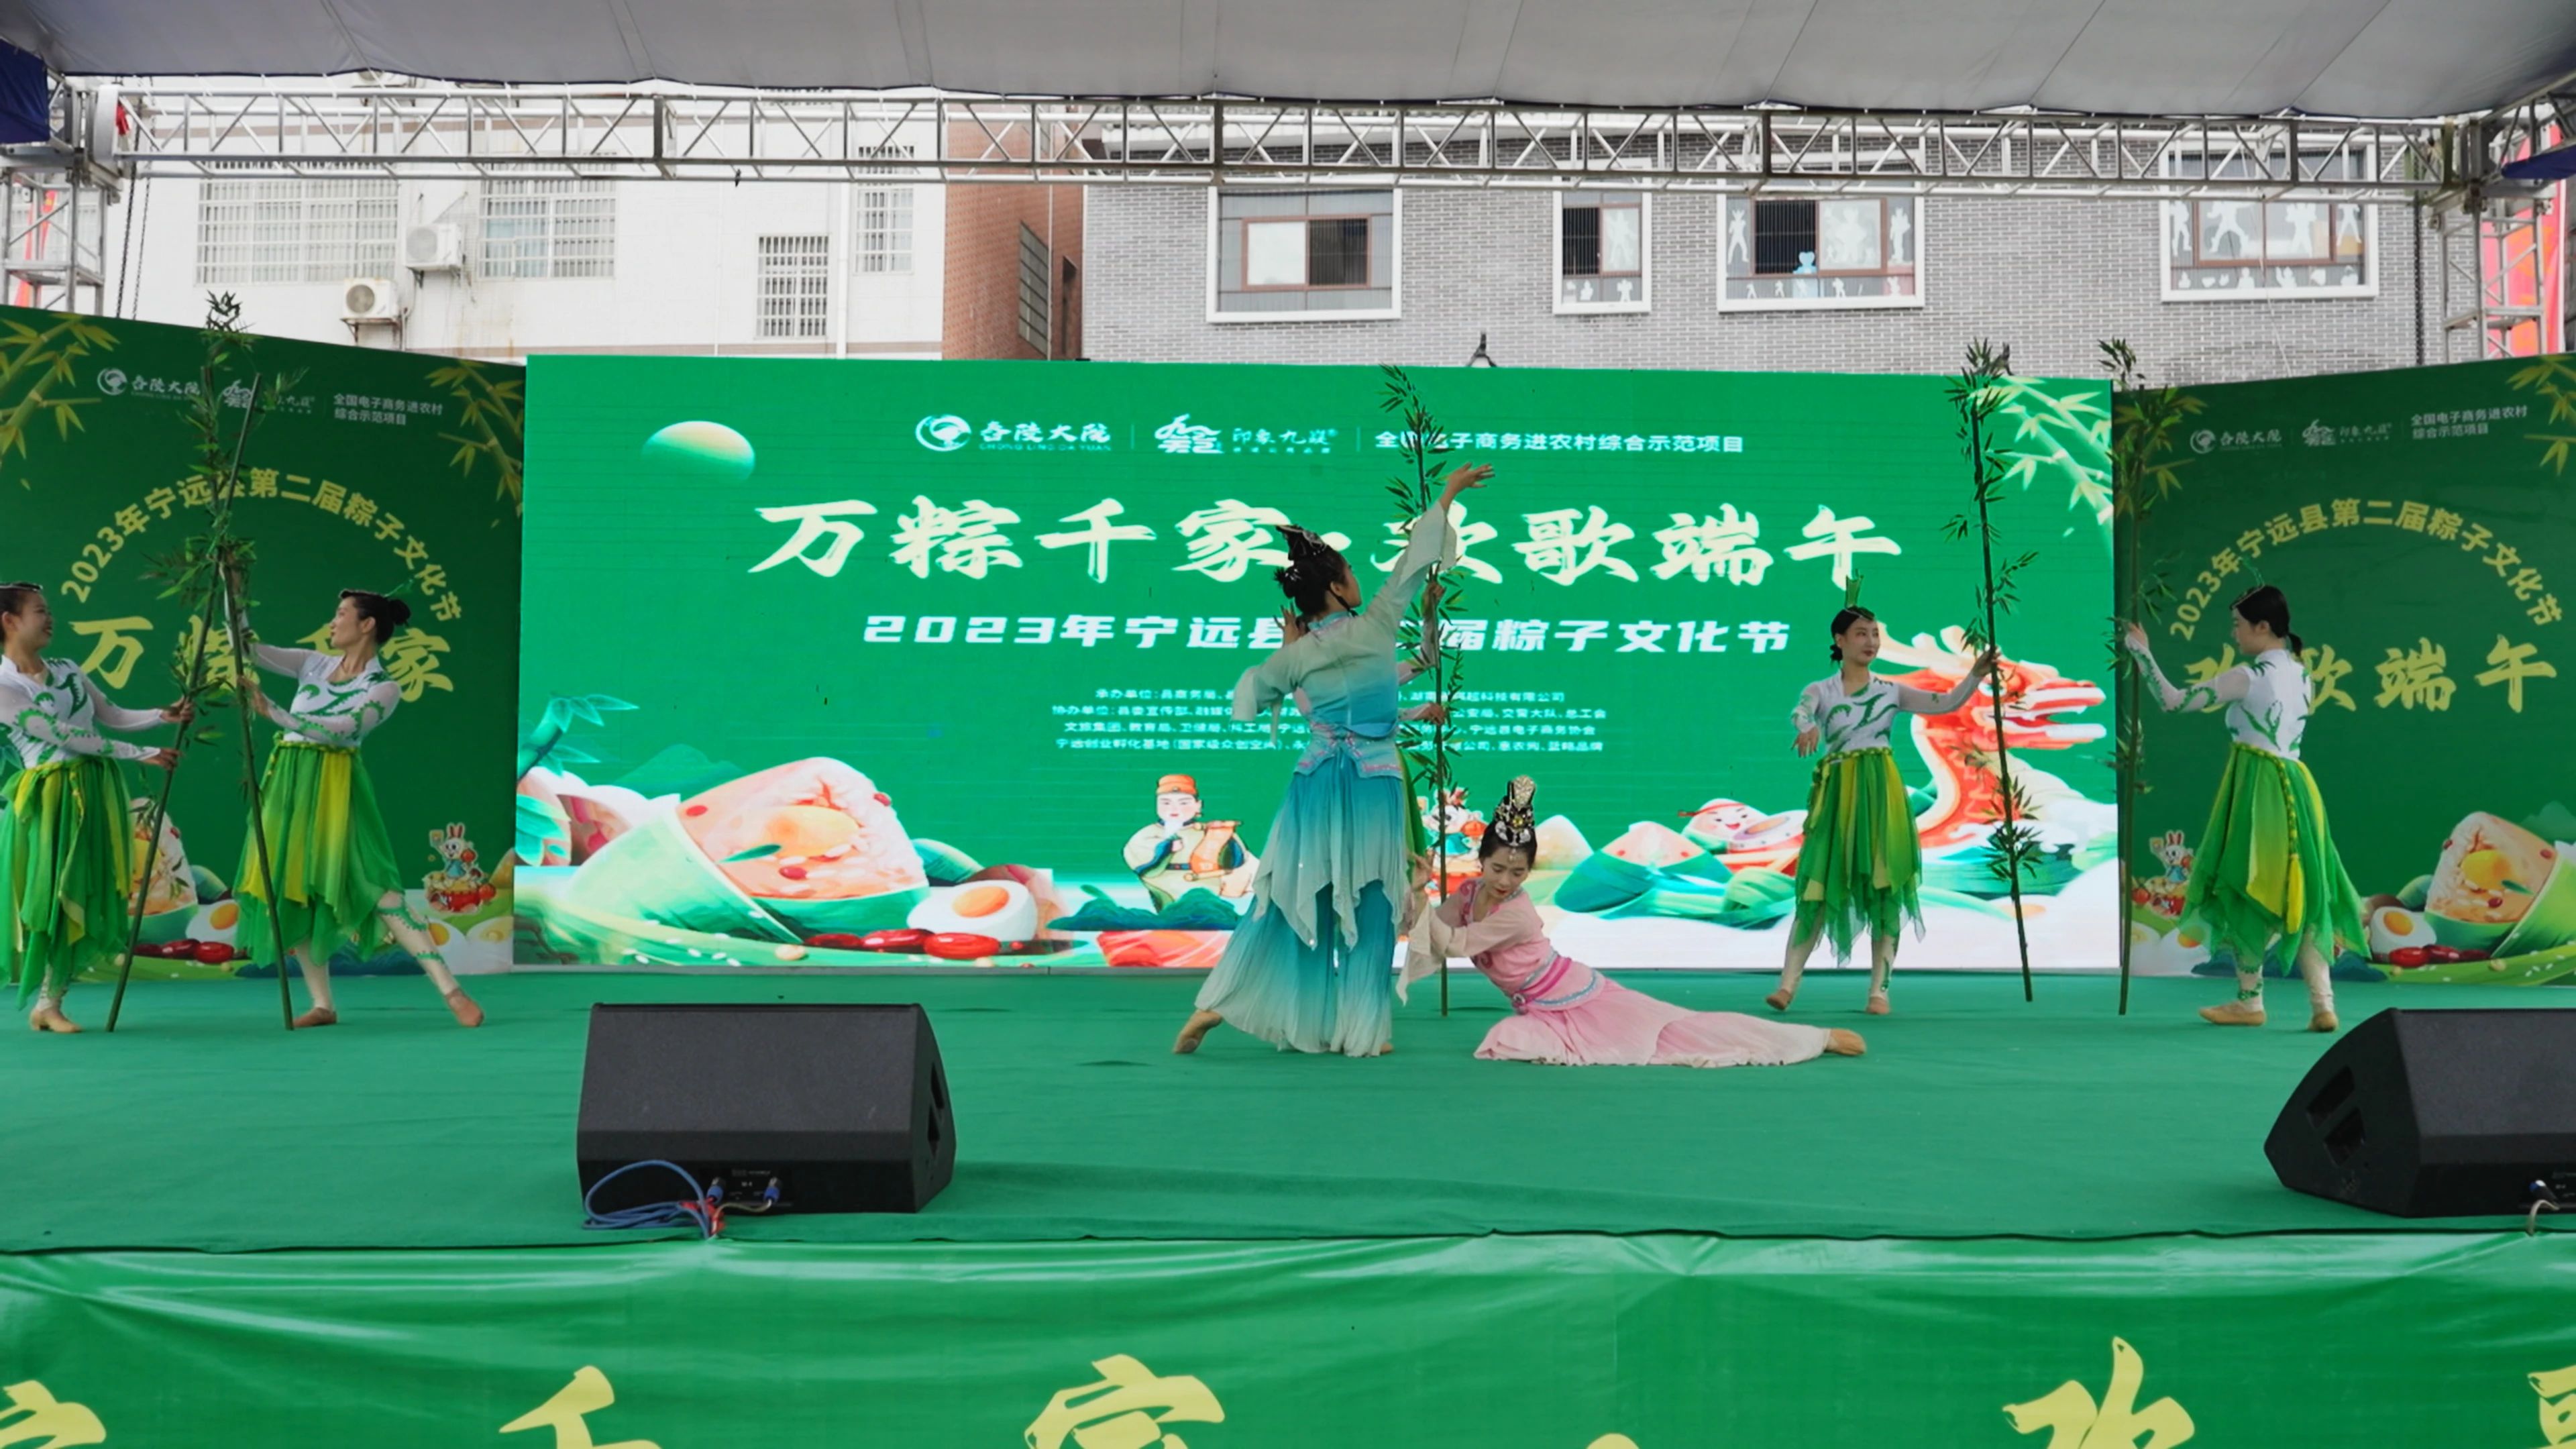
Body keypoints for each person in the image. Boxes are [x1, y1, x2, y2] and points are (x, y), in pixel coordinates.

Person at [1175, 464, 1492, 1057]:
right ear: (1340, 590)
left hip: (1316, 782)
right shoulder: (1375, 626)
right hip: (1372, 783)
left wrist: (1291, 654)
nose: (1358, 579)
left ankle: (1220, 1004)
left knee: (1300, 896)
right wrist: (1448, 493)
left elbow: (1250, 699)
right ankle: (1363, 1029)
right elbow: (1415, 559)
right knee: (1375, 902)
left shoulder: (1300, 656)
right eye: (1350, 573)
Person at [1405, 776, 1864, 1066]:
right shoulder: (1470, 894)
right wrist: (1416, 891)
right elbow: (1427, 929)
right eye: (1498, 869)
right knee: (1510, 1040)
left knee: (1683, 1032)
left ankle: (1813, 1039)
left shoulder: (1518, 912)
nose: (1506, 880)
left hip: (1574, 996)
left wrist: (1422, 898)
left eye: (1518, 872)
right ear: (1481, 862)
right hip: (1539, 1008)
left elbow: (1454, 945)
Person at [235, 590, 483, 1028]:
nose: (332, 623)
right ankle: (323, 1005)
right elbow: (245, 647)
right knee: (296, 888)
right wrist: (234, 595)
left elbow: (343, 730)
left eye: (341, 614)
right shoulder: (313, 664)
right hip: (289, 782)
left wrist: (278, 714)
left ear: (367, 624)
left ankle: (451, 990)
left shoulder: (383, 688)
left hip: (335, 785)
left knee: (378, 888)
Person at [2123, 586, 2357, 1031]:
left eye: (2238, 625)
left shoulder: (2248, 676)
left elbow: (2173, 701)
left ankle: (2250, 1003)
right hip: (2299, 787)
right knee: (2303, 890)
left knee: (2246, 885)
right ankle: (2323, 1004)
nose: (2233, 634)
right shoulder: (2301, 674)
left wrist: (2142, 654)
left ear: (2263, 627)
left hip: (2258, 789)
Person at [1767, 604, 1996, 1017]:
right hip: (1839, 795)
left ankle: (1879, 992)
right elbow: (1800, 712)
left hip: (1881, 793)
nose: (1870, 641)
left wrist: (1975, 675)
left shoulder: (1891, 690)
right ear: (1839, 641)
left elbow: (1945, 703)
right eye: (1861, 633)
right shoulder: (1822, 690)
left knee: (1886, 887)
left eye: (1874, 634)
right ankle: (1787, 985)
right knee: (1819, 886)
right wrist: (1808, 726)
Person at [0, 582, 189, 1033]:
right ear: (9, 621)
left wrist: (161, 715)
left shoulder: (68, 669)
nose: (50, 618)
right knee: (54, 896)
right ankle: (45, 1001)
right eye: (40, 611)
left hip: (94, 788)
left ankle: (50, 1003)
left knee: (83, 891)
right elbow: (61, 735)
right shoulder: (3, 685)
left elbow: (111, 715)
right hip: (50, 798)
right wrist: (140, 753)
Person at [1122, 773, 1252, 908]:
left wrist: (1224, 836)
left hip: (1205, 883)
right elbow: (1137, 855)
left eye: (1184, 803)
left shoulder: (1209, 831)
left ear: (1198, 805)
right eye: (1166, 803)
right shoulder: (1148, 833)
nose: (1174, 809)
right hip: (1164, 882)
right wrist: (1167, 848)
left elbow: (1238, 860)